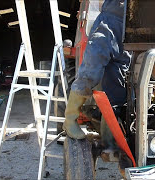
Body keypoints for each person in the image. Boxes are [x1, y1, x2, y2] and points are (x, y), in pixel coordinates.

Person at [63, 0, 131, 149]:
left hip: (132, 27)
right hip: (111, 21)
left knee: (118, 84)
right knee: (92, 67)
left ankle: (110, 141)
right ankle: (70, 119)